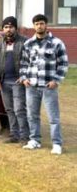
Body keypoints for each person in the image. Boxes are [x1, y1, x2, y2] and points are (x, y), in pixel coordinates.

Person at [20, 14, 69, 155]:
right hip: (32, 86)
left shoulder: (57, 43)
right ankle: (35, 140)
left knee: (53, 117)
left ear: (46, 25)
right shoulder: (28, 43)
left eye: (41, 23)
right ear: (33, 26)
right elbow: (23, 63)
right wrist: (24, 78)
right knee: (32, 115)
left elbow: (63, 64)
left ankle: (57, 144)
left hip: (48, 86)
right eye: (36, 24)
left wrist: (56, 80)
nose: (39, 26)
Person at [0, 16, 29, 144]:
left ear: (15, 28)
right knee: (9, 109)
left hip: (18, 82)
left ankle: (24, 136)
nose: (8, 29)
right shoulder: (0, 43)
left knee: (19, 109)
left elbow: (29, 61)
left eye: (10, 27)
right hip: (4, 82)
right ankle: (14, 134)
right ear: (3, 29)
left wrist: (23, 76)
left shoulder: (24, 42)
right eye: (5, 27)